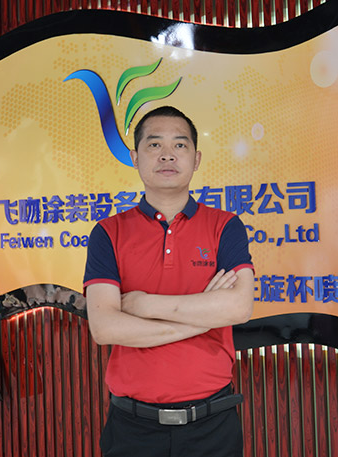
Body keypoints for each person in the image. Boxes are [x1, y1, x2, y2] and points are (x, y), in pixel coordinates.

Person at [83, 105, 255, 457]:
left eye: (179, 144)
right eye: (154, 144)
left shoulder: (225, 226)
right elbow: (105, 328)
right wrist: (203, 319)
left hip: (212, 425)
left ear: (196, 159)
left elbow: (239, 307)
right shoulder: (108, 233)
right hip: (133, 428)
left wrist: (144, 304)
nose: (167, 155)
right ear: (135, 157)